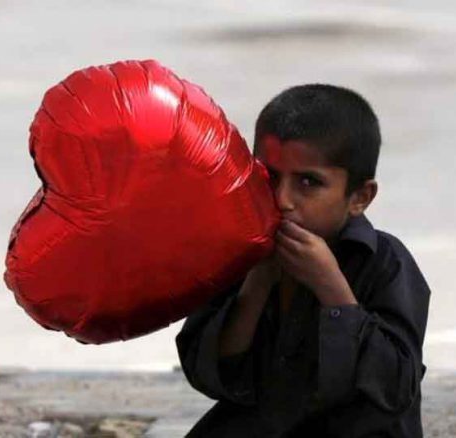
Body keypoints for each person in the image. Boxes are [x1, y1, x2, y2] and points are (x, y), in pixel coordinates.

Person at [175, 84, 431, 437]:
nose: (282, 200)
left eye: (308, 182)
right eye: (270, 177)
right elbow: (210, 375)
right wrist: (258, 282)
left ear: (359, 197)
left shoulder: (385, 264)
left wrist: (333, 290)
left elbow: (394, 389)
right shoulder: (240, 256)